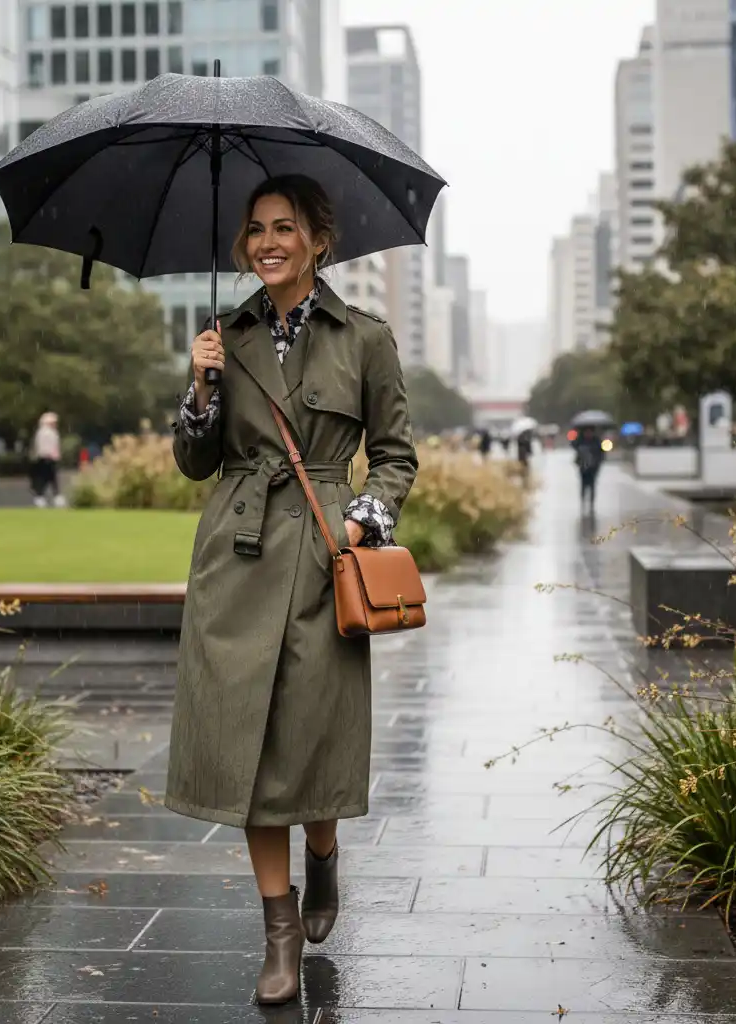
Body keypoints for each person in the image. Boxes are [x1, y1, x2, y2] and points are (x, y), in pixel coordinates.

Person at [165, 174, 417, 1006]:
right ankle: (278, 930)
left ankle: (323, 853)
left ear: (318, 240)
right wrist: (200, 389)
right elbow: (195, 461)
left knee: (312, 737)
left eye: (284, 228)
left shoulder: (365, 337)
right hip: (235, 558)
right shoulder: (223, 335)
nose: (266, 243)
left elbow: (396, 455)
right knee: (251, 744)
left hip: (322, 553)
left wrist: (361, 522)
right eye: (255, 229)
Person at [31, 412, 64, 507]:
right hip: (47, 458)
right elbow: (46, 447)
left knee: (50, 479)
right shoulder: (46, 433)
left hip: (47, 458)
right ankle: (48, 497)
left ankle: (48, 496)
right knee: (48, 479)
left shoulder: (49, 432)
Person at [574, 425, 605, 512]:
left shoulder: (597, 441)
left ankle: (591, 503)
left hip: (593, 467)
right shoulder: (580, 441)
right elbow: (574, 447)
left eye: (590, 432)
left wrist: (598, 462)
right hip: (583, 467)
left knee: (592, 484)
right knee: (583, 484)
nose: (588, 434)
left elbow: (601, 453)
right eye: (586, 432)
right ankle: (583, 500)